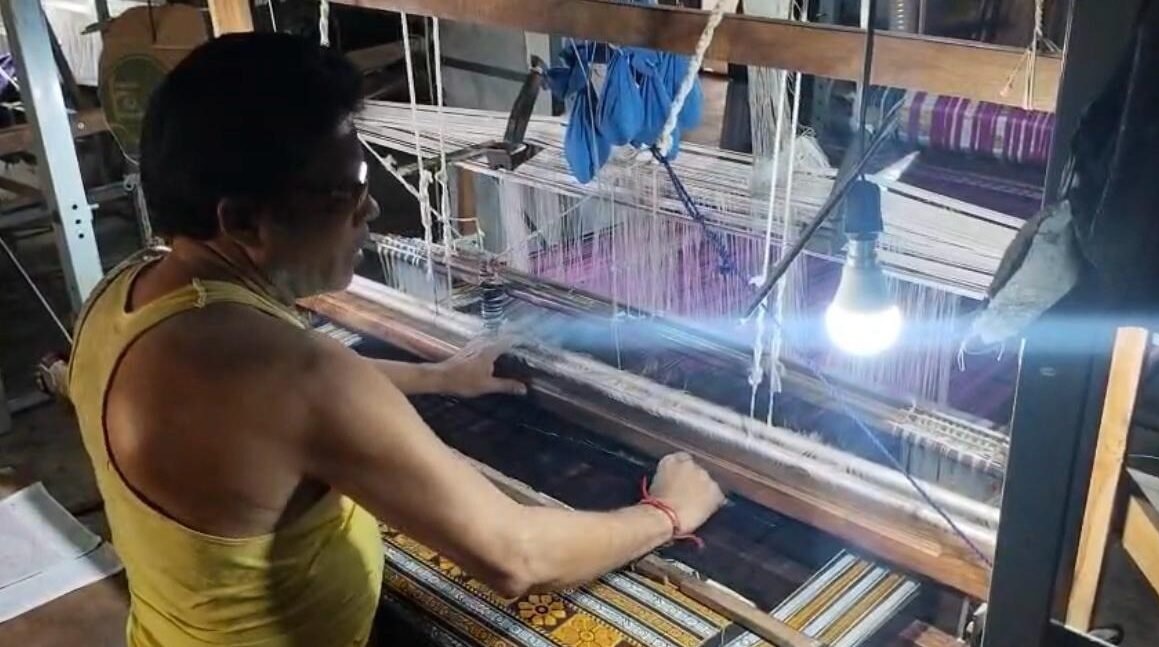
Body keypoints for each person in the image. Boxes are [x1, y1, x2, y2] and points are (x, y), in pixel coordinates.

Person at [68, 32, 724, 647]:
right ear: (241, 219)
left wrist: (438, 375)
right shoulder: (298, 376)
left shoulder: (124, 294)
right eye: (349, 190)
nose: (373, 209)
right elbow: (518, 555)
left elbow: (253, 418)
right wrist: (668, 512)